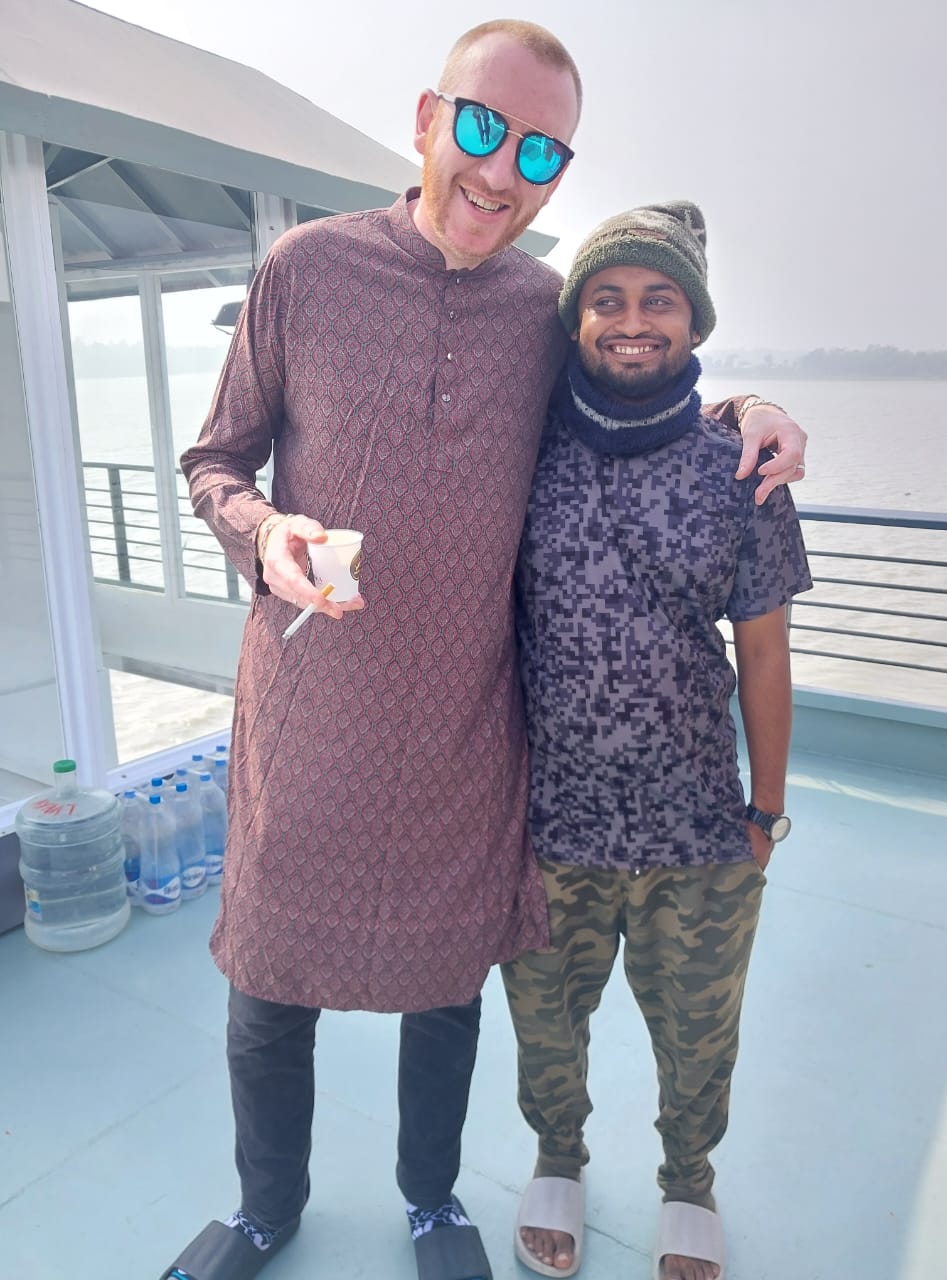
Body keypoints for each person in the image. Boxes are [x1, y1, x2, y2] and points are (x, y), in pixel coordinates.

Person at [162, 21, 807, 1280]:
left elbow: (651, 376)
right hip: (307, 707)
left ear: (558, 173)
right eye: (477, 127)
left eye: (538, 150)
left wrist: (752, 405)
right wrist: (263, 527)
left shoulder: (540, 311)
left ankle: (428, 1199)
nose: (499, 169)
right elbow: (211, 458)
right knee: (269, 978)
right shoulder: (304, 268)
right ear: (425, 119)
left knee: (449, 984)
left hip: (467, 722)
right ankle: (262, 1206)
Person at [503, 202, 813, 1280]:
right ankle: (557, 1156)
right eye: (607, 299)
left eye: (658, 300)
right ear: (575, 318)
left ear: (694, 320)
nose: (632, 322)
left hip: (698, 825)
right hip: (552, 820)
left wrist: (764, 812)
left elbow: (765, 655)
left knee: (699, 1035)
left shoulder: (741, 467)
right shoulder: (524, 448)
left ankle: (690, 1178)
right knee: (548, 1019)